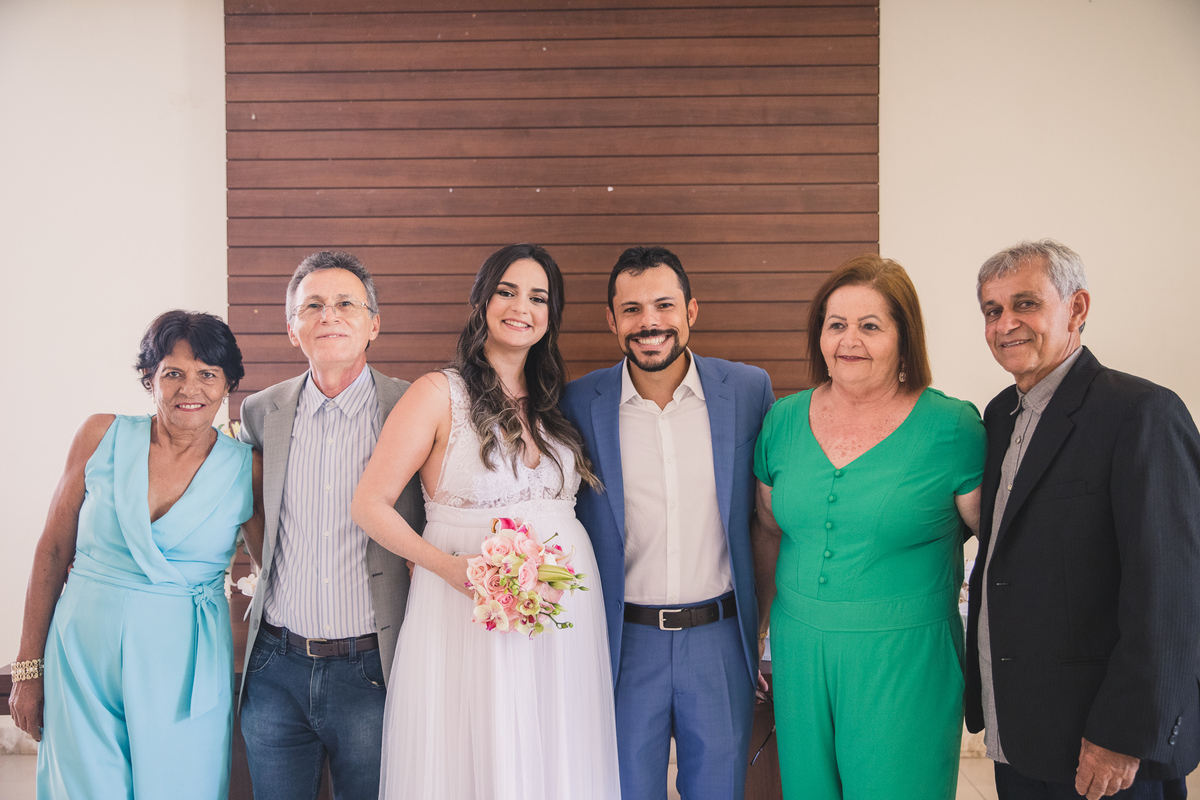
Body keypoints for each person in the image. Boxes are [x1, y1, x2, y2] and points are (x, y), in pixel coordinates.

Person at [352, 243, 620, 800]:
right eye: (507, 292)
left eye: (538, 298)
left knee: (557, 756)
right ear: (481, 301)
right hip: (465, 608)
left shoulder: (553, 403)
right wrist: (449, 568)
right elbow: (369, 504)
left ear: (551, 315)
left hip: (560, 615)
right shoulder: (437, 393)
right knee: (477, 756)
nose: (522, 307)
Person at [965, 239, 1200, 800]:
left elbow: (1172, 595)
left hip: (1104, 744)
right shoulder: (999, 416)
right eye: (992, 310)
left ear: (1077, 308)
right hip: (1019, 731)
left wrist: (1123, 733)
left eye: (1025, 304)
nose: (1005, 324)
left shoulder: (1141, 412)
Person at [751, 254, 985, 799]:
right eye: (836, 324)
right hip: (798, 652)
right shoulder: (783, 420)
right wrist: (756, 635)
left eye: (870, 326)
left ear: (905, 338)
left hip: (905, 659)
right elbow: (768, 530)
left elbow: (1003, 548)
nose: (849, 340)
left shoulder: (952, 427)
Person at [8, 310, 263, 799]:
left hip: (185, 666)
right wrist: (28, 669)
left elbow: (278, 568)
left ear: (229, 383)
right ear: (150, 378)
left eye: (208, 374)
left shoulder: (246, 470)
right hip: (83, 658)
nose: (190, 389)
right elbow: (53, 549)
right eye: (173, 373)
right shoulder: (99, 436)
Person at [561, 246, 774, 800]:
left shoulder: (748, 391)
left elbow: (767, 518)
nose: (649, 322)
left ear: (691, 311)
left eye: (664, 305)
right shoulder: (577, 403)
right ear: (611, 320)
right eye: (631, 309)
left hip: (720, 637)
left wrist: (760, 629)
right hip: (624, 641)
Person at [236, 251, 425, 800]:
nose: (329, 315)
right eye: (313, 306)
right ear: (291, 328)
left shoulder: (413, 406)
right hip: (275, 667)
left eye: (346, 303)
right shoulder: (260, 412)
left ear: (374, 324)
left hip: (371, 668)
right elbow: (252, 512)